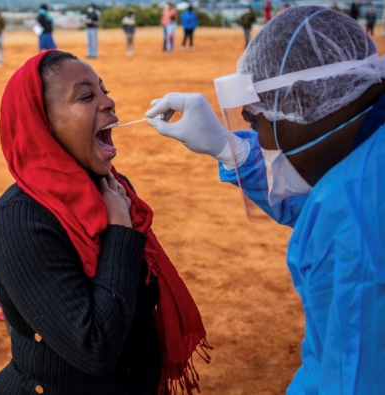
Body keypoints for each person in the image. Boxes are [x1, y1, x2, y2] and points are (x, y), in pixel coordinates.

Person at [145, 6, 385, 394]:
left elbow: (349, 380)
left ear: (304, 101)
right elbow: (315, 205)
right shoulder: (368, 162)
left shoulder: (354, 228)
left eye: (257, 121)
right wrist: (231, 151)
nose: (263, 142)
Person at [0, 49, 211, 395]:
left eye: (104, 90)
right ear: (42, 124)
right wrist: (120, 233)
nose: (109, 101)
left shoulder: (113, 190)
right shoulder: (19, 222)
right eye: (86, 96)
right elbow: (95, 349)